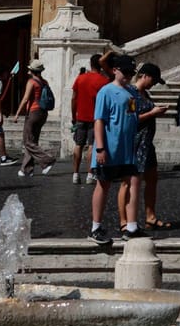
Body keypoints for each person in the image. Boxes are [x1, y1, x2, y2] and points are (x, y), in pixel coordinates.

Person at [89, 55, 145, 244]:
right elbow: (99, 120)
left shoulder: (131, 93)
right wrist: (100, 148)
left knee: (130, 184)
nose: (128, 76)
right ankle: (95, 227)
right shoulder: (106, 91)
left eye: (131, 73)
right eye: (125, 72)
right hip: (109, 148)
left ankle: (131, 226)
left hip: (127, 150)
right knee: (103, 185)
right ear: (115, 70)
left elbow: (133, 117)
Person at [123, 62, 169, 230]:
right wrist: (153, 113)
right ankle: (124, 221)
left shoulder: (146, 94)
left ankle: (151, 216)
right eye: (154, 80)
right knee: (128, 183)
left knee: (152, 179)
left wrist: (156, 110)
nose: (154, 84)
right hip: (135, 143)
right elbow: (130, 118)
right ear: (144, 76)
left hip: (147, 144)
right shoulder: (131, 94)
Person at [69, 52, 107, 185]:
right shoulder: (103, 81)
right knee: (92, 145)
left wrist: (74, 116)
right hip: (96, 118)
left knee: (78, 145)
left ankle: (75, 173)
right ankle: (90, 174)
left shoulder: (80, 78)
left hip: (81, 116)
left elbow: (73, 98)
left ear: (90, 64)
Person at [16, 60, 56, 177]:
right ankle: (27, 169)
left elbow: (25, 99)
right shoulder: (45, 82)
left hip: (33, 112)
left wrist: (18, 113)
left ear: (32, 71)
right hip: (43, 113)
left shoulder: (31, 82)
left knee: (27, 141)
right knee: (33, 140)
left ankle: (47, 159)